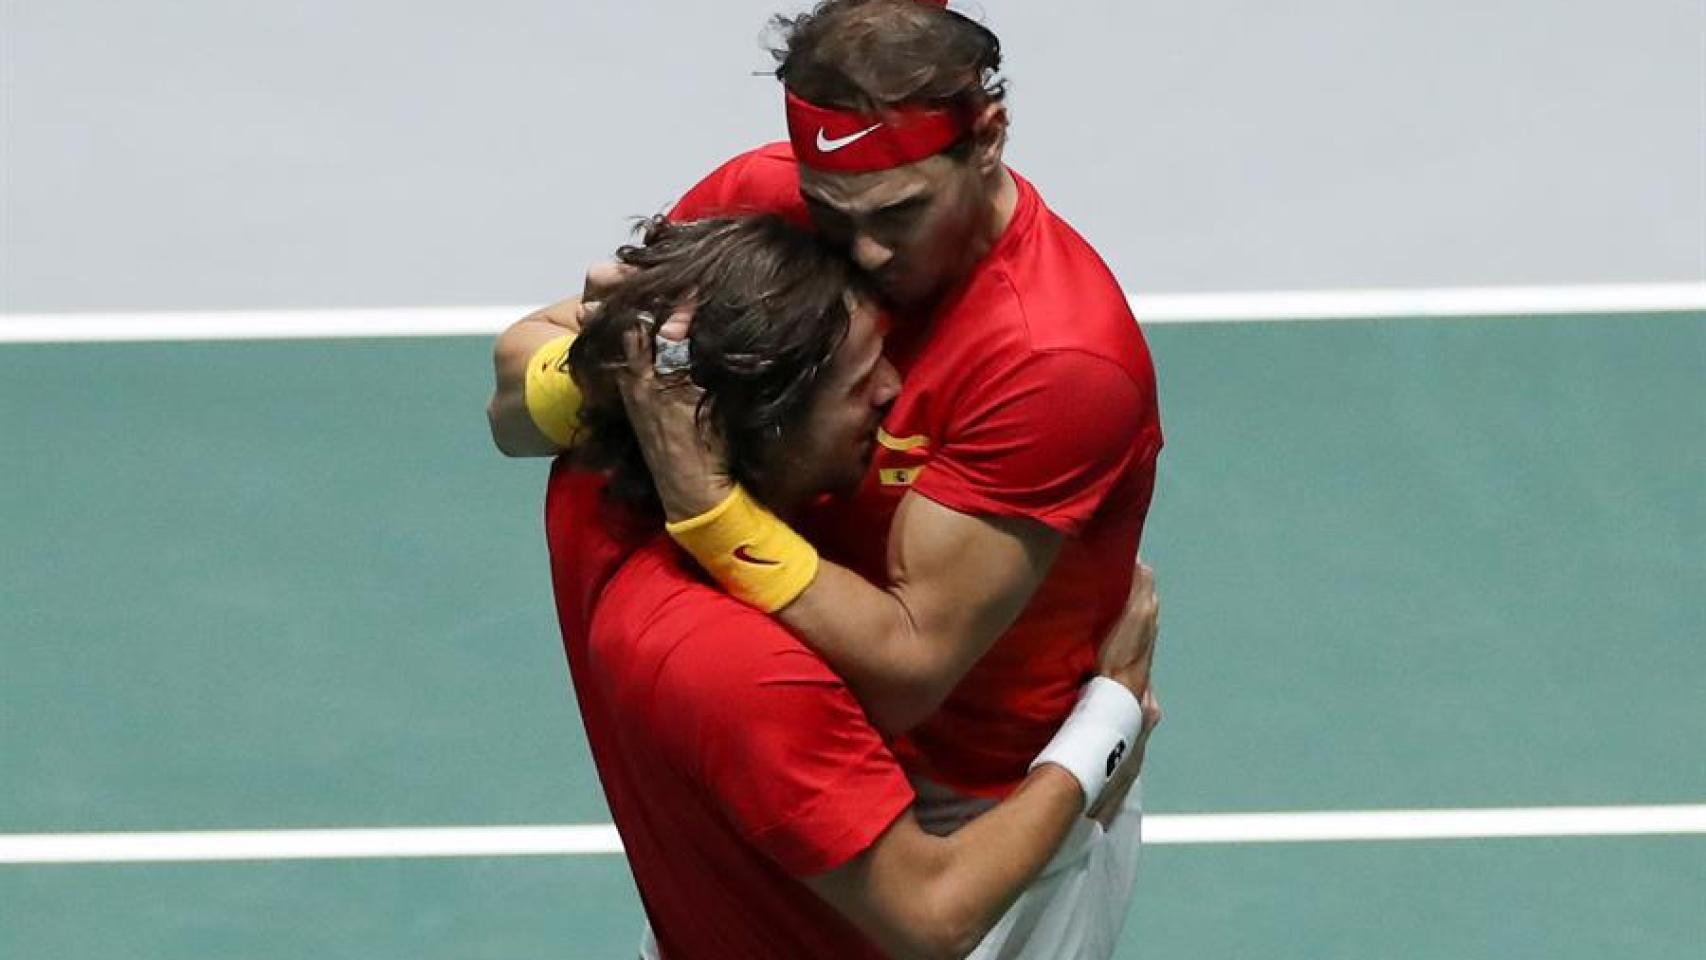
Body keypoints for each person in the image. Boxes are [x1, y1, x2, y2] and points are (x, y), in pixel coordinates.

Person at [488, 2, 1163, 953]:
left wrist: (711, 507)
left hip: (970, 817)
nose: (867, 255)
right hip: (780, 734)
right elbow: (511, 407)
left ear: (990, 137)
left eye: (901, 213)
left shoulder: (1053, 358)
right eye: (835, 212)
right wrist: (602, 378)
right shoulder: (763, 201)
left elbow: (906, 672)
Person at [549, 214, 1161, 960]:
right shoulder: (739, 665)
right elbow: (936, 913)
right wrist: (1110, 718)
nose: (895, 392)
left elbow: (513, 400)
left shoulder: (588, 506)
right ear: (769, 418)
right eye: (859, 380)